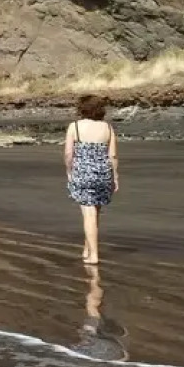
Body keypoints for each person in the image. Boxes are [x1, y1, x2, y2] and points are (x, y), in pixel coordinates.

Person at [65, 95, 119, 265]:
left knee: (88, 213)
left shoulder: (75, 127)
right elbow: (113, 156)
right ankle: (87, 248)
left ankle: (94, 255)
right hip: (103, 172)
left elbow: (68, 154)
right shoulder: (108, 128)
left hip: (83, 171)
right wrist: (115, 176)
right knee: (95, 212)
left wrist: (69, 171)